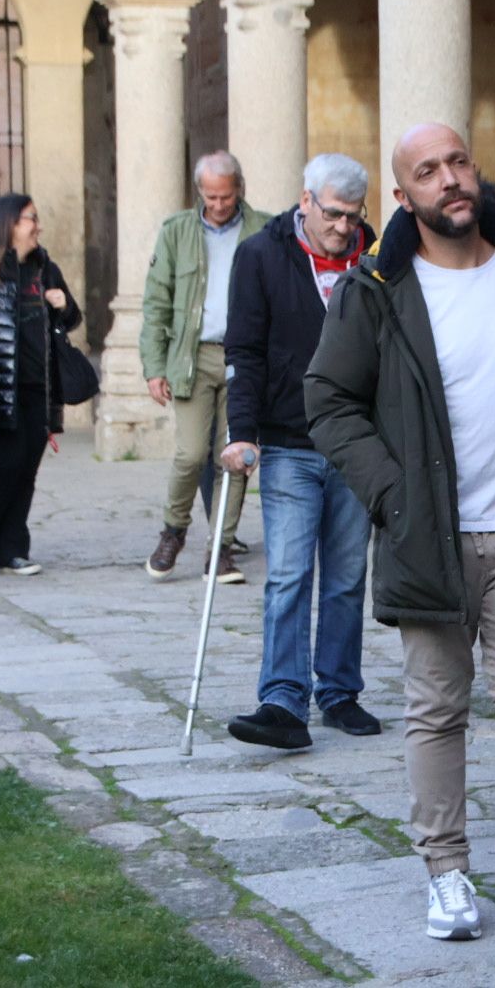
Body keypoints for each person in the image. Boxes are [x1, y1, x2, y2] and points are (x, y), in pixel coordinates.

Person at [305, 123, 495, 943]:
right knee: (436, 707)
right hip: (425, 531)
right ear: (404, 198)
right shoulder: (377, 290)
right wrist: (390, 492)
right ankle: (447, 873)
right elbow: (327, 399)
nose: (450, 180)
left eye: (458, 162)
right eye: (427, 172)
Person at [218, 153, 380, 749]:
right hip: (287, 443)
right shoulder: (261, 255)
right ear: (305, 200)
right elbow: (245, 349)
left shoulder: (375, 260)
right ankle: (283, 700)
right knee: (288, 573)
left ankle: (338, 691)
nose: (343, 227)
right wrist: (242, 432)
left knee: (346, 577)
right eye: (333, 214)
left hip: (357, 442)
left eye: (353, 216)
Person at [139, 151, 268, 585]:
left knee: (234, 455)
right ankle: (173, 532)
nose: (218, 205)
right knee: (191, 453)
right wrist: (154, 366)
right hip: (194, 356)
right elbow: (156, 302)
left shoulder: (263, 229)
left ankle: (221, 548)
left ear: (240, 190)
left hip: (244, 356)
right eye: (210, 197)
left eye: (226, 196)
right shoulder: (176, 232)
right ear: (199, 193)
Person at [0, 193, 82, 575]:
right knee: (8, 462)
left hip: (40, 388)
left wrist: (63, 305)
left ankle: (12, 549)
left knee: (27, 469)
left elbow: (71, 320)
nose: (37, 226)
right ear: (8, 225)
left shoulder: (45, 269)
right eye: (30, 219)